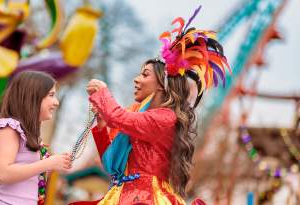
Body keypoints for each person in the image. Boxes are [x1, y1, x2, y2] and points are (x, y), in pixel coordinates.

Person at [71, 6, 229, 205]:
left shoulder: (166, 118)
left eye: (145, 74)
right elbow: (112, 165)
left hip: (146, 198)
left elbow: (119, 117)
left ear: (163, 85)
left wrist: (103, 93)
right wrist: (101, 125)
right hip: (124, 195)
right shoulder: (141, 116)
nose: (136, 80)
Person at [0, 71, 72, 205]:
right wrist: (49, 163)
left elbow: (28, 175)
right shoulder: (9, 128)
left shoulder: (31, 134)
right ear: (33, 96)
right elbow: (2, 174)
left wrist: (57, 163)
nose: (56, 102)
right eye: (51, 95)